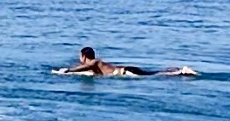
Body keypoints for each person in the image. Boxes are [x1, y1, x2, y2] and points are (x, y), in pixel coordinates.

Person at [54, 47, 198, 77]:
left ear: (84, 56)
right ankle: (174, 70)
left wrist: (67, 70)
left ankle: (180, 72)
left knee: (153, 75)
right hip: (126, 69)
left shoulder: (94, 62)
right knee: (153, 73)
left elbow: (82, 68)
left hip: (127, 71)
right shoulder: (95, 64)